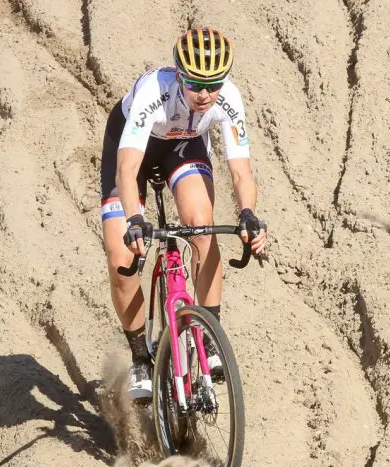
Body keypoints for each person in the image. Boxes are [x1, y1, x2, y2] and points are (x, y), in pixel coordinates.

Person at [100, 27, 267, 399]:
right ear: (179, 74)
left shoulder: (229, 100)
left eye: (214, 84)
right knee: (120, 254)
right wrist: (134, 221)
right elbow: (126, 170)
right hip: (133, 151)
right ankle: (141, 358)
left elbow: (241, 170)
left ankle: (209, 338)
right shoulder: (152, 92)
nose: (204, 94)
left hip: (184, 147)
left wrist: (249, 214)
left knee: (201, 227)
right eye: (194, 83)